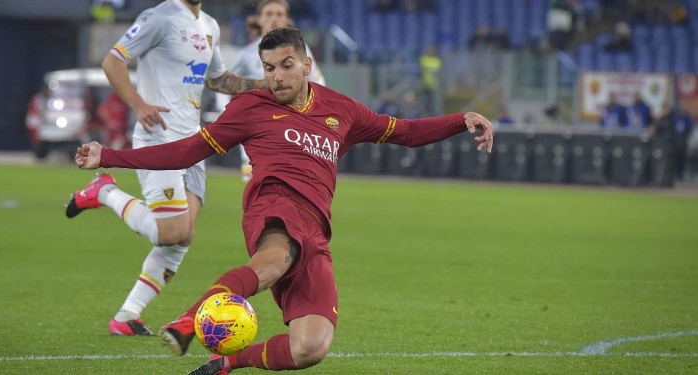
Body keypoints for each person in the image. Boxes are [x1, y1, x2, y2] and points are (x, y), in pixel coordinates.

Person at [74, 28, 493, 374]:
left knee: (310, 348)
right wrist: (108, 155)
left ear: (307, 65)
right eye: (269, 68)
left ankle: (226, 364)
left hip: (316, 229)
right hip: (272, 206)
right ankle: (191, 319)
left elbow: (405, 131)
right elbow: (183, 152)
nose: (277, 77)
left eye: (286, 66)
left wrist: (461, 120)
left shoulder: (340, 110)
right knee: (273, 260)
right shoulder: (249, 107)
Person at [65, 0, 267, 337]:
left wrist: (264, 87)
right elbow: (113, 61)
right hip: (158, 137)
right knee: (170, 232)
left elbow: (218, 80)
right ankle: (104, 191)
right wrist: (139, 104)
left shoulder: (210, 26)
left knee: (183, 236)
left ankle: (127, 315)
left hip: (195, 144)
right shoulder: (159, 18)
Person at [229, 0, 326, 182]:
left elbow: (319, 83)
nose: (274, 18)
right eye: (269, 14)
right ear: (259, 19)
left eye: (279, 14)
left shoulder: (301, 53)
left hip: (292, 132)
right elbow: (225, 86)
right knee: (257, 190)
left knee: (292, 190)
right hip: (255, 132)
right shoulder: (246, 56)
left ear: (288, 21)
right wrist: (226, 115)